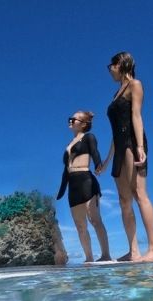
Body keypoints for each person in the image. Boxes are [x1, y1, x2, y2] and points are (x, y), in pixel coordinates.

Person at [97, 51, 153, 262]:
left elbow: (136, 115)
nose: (110, 71)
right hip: (119, 143)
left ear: (121, 64)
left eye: (111, 67)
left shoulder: (135, 85)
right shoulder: (115, 94)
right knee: (124, 200)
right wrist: (106, 161)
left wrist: (140, 146)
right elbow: (115, 134)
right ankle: (133, 251)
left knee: (139, 193)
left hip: (133, 142)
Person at [57, 110, 111, 262]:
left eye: (73, 119)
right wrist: (61, 190)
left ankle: (105, 255)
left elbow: (95, 152)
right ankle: (88, 258)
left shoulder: (88, 137)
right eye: (70, 118)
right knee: (80, 225)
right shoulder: (68, 144)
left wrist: (98, 164)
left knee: (94, 219)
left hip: (86, 180)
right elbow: (65, 169)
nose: (70, 121)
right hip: (72, 185)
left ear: (84, 124)